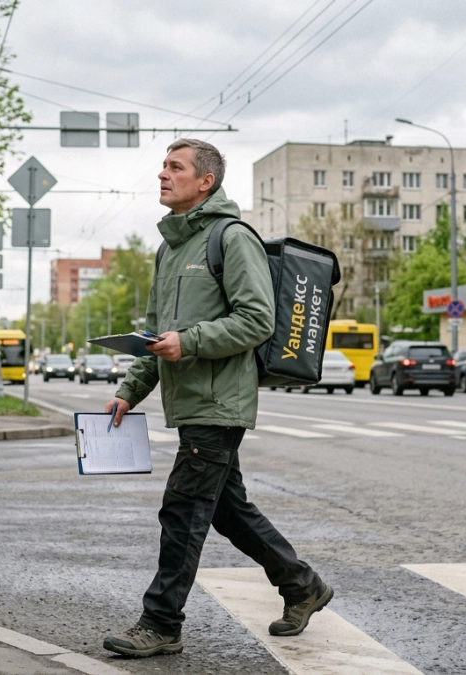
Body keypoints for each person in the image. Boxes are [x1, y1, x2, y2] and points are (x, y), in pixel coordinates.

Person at [102, 139, 330, 659]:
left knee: (182, 512)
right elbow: (156, 332)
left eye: (175, 167)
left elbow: (257, 320)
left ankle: (161, 623)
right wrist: (129, 390)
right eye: (163, 165)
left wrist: (190, 341)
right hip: (190, 402)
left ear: (205, 182)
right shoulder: (169, 248)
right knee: (228, 510)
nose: (163, 174)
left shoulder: (230, 238)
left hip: (219, 402)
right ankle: (302, 585)